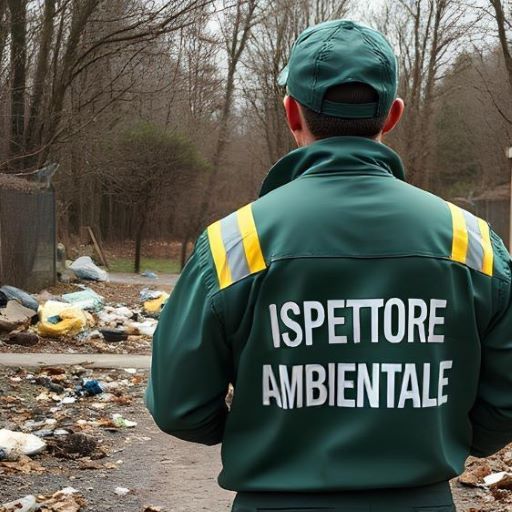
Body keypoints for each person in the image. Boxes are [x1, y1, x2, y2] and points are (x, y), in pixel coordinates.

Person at [145, 19, 512, 512]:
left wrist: (261, 433)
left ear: (291, 111)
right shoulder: (472, 242)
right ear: (393, 115)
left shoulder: (234, 242)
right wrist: (449, 437)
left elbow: (178, 406)